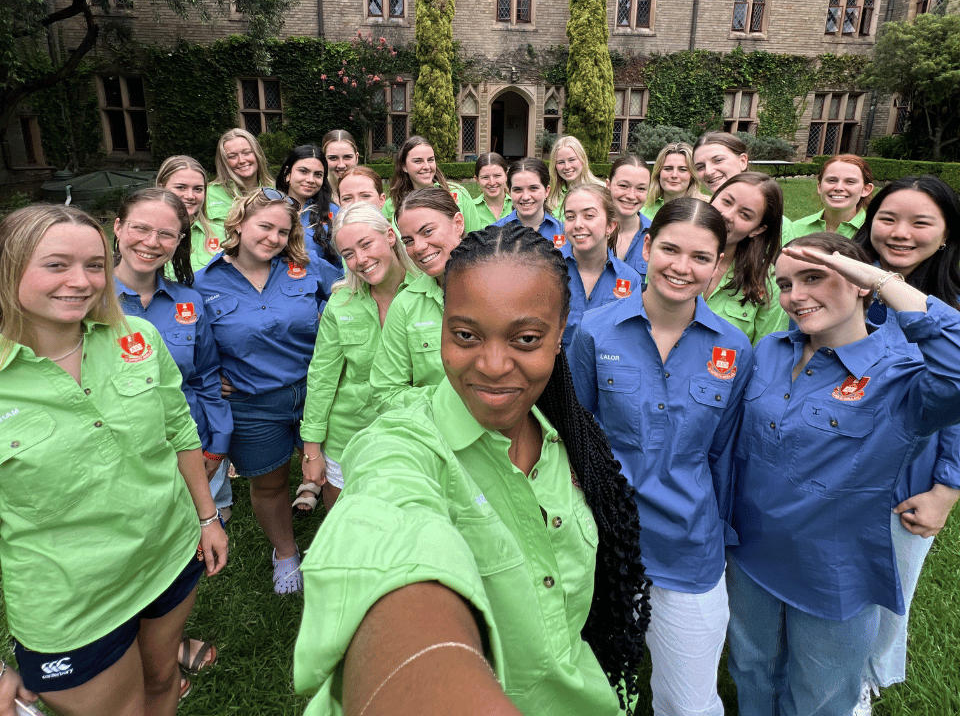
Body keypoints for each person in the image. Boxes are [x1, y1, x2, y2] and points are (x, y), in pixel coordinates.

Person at [294, 222, 649, 716]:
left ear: (560, 331)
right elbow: (389, 534)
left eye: (525, 338)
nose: (493, 364)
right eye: (466, 335)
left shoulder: (570, 438)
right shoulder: (403, 445)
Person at [0, 204, 227, 716]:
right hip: (73, 600)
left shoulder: (137, 338)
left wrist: (207, 516)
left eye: (94, 265)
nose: (80, 282)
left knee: (162, 677)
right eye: (56, 265)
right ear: (9, 268)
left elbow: (178, 431)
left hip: (168, 554)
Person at [726, 233, 960, 716]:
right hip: (750, 554)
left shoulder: (901, 373)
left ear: (857, 284)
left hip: (835, 571)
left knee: (820, 694)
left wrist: (881, 277)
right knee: (750, 670)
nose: (796, 296)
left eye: (815, 277)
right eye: (786, 284)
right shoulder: (770, 351)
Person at [571, 198, 752, 716]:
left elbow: (725, 454)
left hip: (687, 544)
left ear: (719, 265)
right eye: (670, 249)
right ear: (647, 247)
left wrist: (720, 537)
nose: (681, 266)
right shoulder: (596, 331)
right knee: (598, 687)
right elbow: (577, 430)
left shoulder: (734, 348)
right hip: (606, 538)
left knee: (690, 703)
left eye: (701, 257)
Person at [112, 187, 232, 684]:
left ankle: (168, 640)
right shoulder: (88, 302)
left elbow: (206, 376)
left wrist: (216, 443)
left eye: (167, 233)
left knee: (182, 549)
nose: (152, 241)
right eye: (140, 227)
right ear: (116, 228)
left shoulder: (187, 302)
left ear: (181, 240)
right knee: (124, 554)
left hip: (189, 449)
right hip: (121, 458)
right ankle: (126, 660)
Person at [852, 176, 960, 714]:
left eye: (921, 223)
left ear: (944, 236)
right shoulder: (849, 288)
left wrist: (947, 488)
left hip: (911, 473)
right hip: (842, 460)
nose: (900, 233)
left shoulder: (950, 310)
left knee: (892, 579)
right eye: (889, 218)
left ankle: (867, 678)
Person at [194, 188, 336, 595]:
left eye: (282, 231)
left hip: (317, 393)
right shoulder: (205, 284)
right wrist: (210, 375)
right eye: (265, 227)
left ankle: (339, 548)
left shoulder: (305, 268)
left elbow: (353, 290)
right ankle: (287, 553)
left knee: (333, 474)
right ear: (238, 224)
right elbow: (192, 342)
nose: (273, 238)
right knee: (270, 483)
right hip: (253, 404)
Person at [299, 203, 419, 514]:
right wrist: (312, 448)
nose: (360, 260)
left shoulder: (429, 292)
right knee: (345, 521)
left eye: (366, 244)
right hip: (349, 436)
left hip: (415, 436)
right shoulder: (341, 303)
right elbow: (322, 376)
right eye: (348, 253)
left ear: (390, 236)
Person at [369, 187, 464, 412]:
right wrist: (458, 398)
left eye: (428, 231)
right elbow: (385, 392)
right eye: (408, 240)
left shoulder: (499, 288)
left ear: (458, 223)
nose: (419, 247)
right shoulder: (406, 304)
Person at [707, 172, 789, 345]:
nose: (727, 215)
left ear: (757, 229)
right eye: (726, 202)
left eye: (745, 214)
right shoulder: (670, 255)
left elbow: (766, 354)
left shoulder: (768, 282)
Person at [559, 184, 641, 350]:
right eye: (570, 217)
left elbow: (630, 341)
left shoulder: (629, 280)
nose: (577, 224)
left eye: (589, 216)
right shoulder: (549, 270)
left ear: (610, 226)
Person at [693, 131, 795, 244]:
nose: (708, 171)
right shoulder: (695, 214)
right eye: (700, 167)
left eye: (718, 160)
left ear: (743, 161)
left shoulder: (781, 227)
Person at [382, 136, 479, 231]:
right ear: (404, 167)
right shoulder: (391, 204)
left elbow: (476, 238)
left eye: (430, 160)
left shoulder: (459, 193)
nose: (427, 166)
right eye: (418, 161)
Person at [155, 155, 225, 272]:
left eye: (198, 189)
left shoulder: (223, 235)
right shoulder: (142, 235)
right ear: (161, 188)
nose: (190, 196)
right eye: (181, 187)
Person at [276, 144, 340, 271]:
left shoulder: (334, 212)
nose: (311, 180)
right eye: (303, 171)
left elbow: (343, 263)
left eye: (318, 175)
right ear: (287, 174)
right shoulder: (269, 207)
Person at [792, 155, 875, 240]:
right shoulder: (794, 230)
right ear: (819, 187)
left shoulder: (874, 232)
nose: (838, 188)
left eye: (850, 182)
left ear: (866, 190)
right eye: (832, 180)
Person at [205, 128, 275, 224]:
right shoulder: (208, 194)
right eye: (232, 156)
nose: (241, 160)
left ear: (257, 154)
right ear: (223, 162)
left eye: (247, 153)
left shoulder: (276, 191)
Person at [493, 158, 564, 245]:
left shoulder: (565, 233)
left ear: (547, 191)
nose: (525, 197)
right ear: (509, 192)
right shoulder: (494, 234)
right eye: (518, 190)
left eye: (533, 188)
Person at [606, 154, 653, 278]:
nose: (631, 196)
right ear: (608, 185)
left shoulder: (657, 236)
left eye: (641, 188)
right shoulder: (590, 232)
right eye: (623, 186)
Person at [641, 142, 705, 221]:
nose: (674, 175)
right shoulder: (642, 209)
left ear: (692, 176)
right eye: (668, 168)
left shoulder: (704, 210)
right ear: (658, 173)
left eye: (682, 170)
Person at [545, 135, 604, 218]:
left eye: (572, 160)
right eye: (561, 162)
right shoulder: (550, 194)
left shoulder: (602, 190)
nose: (567, 166)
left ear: (582, 159)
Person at [472, 152, 512, 227]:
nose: (492, 183)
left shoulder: (518, 206)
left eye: (497, 176)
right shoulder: (470, 209)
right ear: (477, 179)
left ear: (506, 176)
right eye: (485, 177)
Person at [321, 129, 360, 204]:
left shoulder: (370, 193)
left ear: (356, 158)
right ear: (323, 160)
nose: (341, 165)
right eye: (333, 158)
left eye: (347, 157)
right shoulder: (314, 195)